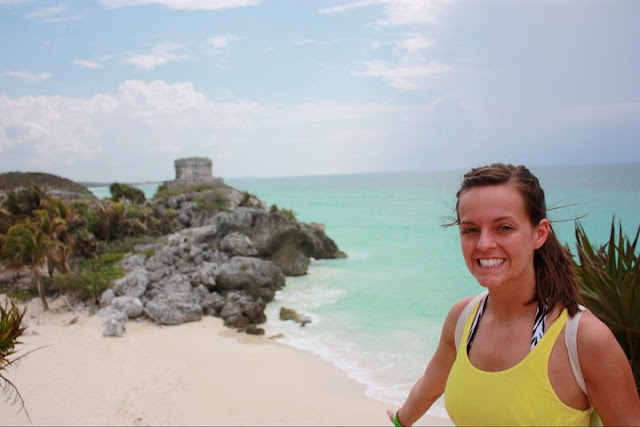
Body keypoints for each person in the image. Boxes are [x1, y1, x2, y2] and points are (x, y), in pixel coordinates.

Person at [387, 163, 640, 426]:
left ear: (539, 234)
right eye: (471, 230)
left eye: (504, 227)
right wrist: (398, 421)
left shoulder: (584, 339)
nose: (484, 244)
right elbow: (428, 387)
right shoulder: (462, 319)